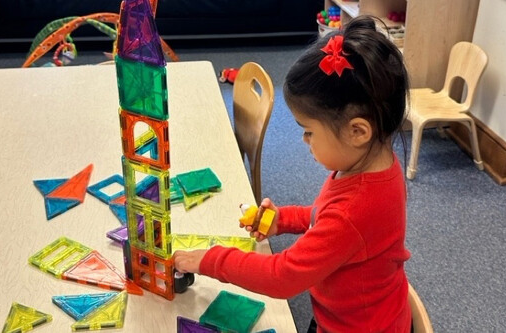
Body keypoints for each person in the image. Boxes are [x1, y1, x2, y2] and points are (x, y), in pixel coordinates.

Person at [173, 15, 411, 332]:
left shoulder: (353, 208)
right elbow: (321, 215)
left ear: (357, 131)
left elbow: (281, 277)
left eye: (309, 131)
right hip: (358, 312)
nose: (304, 140)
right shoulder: (370, 163)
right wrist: (282, 219)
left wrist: (208, 259)